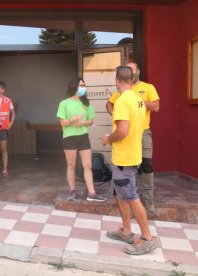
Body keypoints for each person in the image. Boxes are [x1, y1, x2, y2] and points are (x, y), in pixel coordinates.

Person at [102, 66, 156, 255]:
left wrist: (108, 138)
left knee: (131, 196)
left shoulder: (123, 101)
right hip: (129, 155)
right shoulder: (138, 100)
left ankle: (148, 238)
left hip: (126, 158)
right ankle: (126, 230)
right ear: (132, 80)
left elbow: (123, 131)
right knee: (118, 193)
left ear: (117, 81)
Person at [106, 62, 160, 216]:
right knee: (129, 167)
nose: (131, 72)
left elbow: (156, 107)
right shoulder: (122, 93)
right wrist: (117, 114)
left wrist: (138, 104)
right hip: (127, 133)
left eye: (133, 70)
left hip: (143, 132)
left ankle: (148, 199)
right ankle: (131, 197)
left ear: (138, 72)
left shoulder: (148, 87)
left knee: (147, 164)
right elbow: (109, 104)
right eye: (128, 69)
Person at [56, 78, 107, 202]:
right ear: (74, 87)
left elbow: (91, 121)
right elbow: (62, 123)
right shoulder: (64, 103)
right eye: (81, 85)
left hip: (83, 137)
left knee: (88, 165)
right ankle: (72, 191)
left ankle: (92, 193)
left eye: (84, 85)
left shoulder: (86, 103)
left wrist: (82, 123)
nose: (83, 88)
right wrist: (72, 120)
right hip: (69, 138)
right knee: (71, 165)